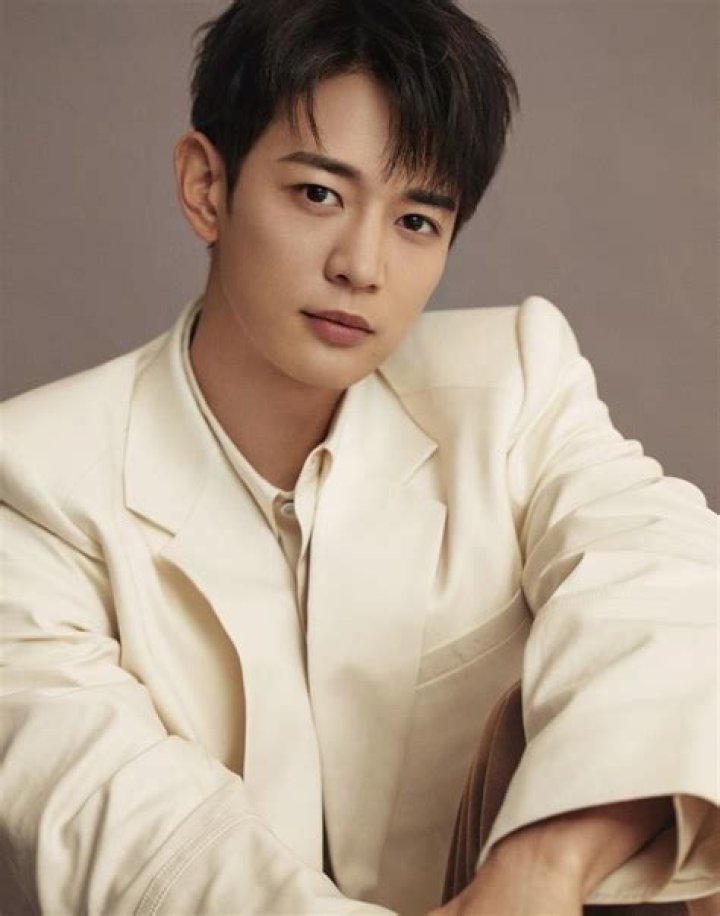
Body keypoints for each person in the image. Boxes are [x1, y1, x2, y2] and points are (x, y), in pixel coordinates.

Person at [1, 1, 717, 913]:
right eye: (318, 195)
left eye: (416, 220)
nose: (362, 266)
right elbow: (147, 852)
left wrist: (542, 864)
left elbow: (676, 592)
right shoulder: (33, 482)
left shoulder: (512, 385)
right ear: (206, 186)